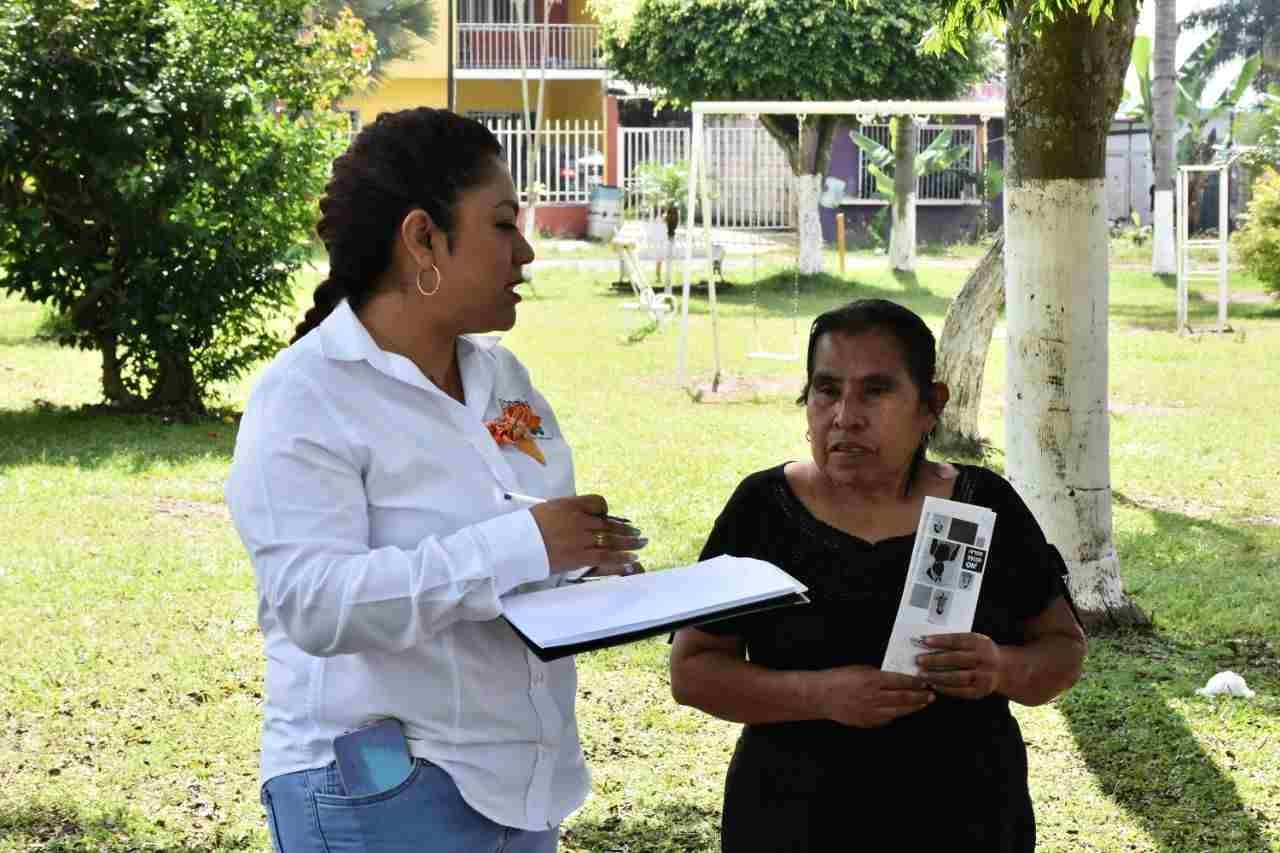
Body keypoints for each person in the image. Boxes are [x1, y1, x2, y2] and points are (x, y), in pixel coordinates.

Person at [225, 108, 646, 853]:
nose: (526, 253)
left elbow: (525, 552)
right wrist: (525, 546)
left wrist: (585, 570)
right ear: (423, 238)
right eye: (503, 224)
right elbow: (315, 604)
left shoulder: (500, 378)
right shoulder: (308, 395)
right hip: (384, 789)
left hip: (522, 782)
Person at [669, 299, 1086, 853]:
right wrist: (820, 695)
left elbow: (1063, 651)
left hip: (967, 820)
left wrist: (1000, 667)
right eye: (826, 389)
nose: (845, 416)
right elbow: (692, 671)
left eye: (875, 390)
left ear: (930, 404)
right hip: (792, 823)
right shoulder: (762, 511)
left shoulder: (984, 506)